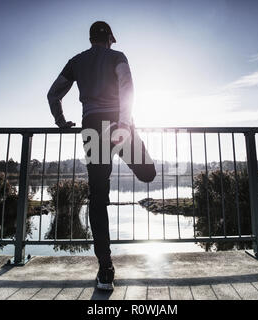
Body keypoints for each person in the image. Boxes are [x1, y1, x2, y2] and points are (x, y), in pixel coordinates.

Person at [47, 21, 156, 291]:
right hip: (118, 125)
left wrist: (60, 121)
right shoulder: (118, 56)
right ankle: (105, 266)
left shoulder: (76, 61)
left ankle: (105, 268)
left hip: (92, 126)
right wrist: (124, 124)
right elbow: (127, 88)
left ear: (91, 39)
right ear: (108, 39)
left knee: (98, 198)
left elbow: (53, 93)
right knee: (148, 173)